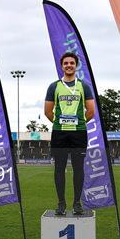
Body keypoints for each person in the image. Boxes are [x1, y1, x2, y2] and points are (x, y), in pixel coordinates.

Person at [44, 52, 95, 216]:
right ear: (62, 66)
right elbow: (47, 111)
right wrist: (60, 123)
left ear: (76, 65)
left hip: (78, 134)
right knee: (59, 169)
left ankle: (77, 203)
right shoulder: (54, 86)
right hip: (59, 134)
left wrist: (78, 123)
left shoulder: (84, 86)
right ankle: (61, 203)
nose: (69, 65)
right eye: (66, 63)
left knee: (78, 168)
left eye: (71, 63)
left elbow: (91, 111)